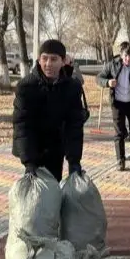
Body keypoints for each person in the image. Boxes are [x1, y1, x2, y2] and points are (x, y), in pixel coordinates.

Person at [12, 39, 86, 181]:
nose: (48, 64)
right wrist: (29, 162)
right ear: (39, 60)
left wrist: (74, 161)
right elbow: (22, 125)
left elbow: (74, 125)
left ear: (63, 61)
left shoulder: (72, 87)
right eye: (44, 59)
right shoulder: (26, 87)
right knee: (36, 195)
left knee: (53, 190)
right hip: (33, 147)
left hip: (56, 147)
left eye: (53, 59)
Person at [96, 42, 130, 171]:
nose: (128, 59)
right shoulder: (112, 65)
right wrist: (107, 82)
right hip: (117, 103)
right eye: (126, 56)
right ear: (121, 55)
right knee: (119, 133)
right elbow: (99, 78)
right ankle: (120, 161)